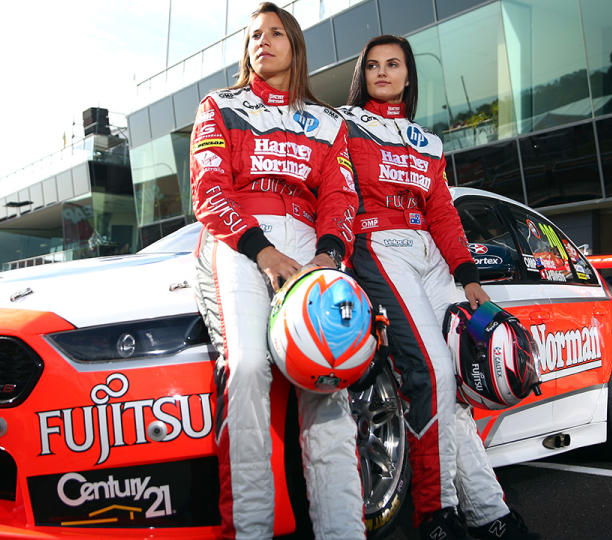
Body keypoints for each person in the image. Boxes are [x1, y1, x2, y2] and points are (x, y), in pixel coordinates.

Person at [338, 35, 540, 540]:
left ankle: (489, 514)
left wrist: (468, 277)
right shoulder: (343, 125)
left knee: (457, 385)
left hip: (431, 255)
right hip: (378, 245)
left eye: (394, 64)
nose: (383, 72)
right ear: (362, 74)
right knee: (433, 374)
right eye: (374, 65)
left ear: (409, 75)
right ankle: (435, 515)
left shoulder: (429, 142)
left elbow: (444, 213)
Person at [189, 3, 364, 538]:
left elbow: (341, 197)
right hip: (240, 239)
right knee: (245, 368)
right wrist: (263, 252)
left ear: (295, 45)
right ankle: (251, 530)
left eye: (274, 33)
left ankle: (343, 531)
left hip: (312, 244)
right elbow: (209, 189)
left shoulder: (331, 122)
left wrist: (328, 255)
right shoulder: (219, 106)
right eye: (252, 36)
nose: (261, 42)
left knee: (328, 382)